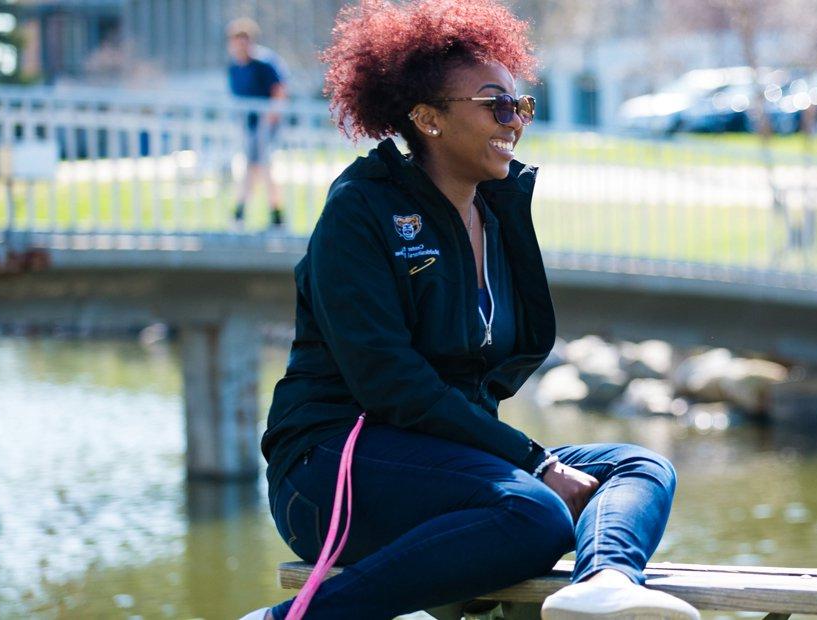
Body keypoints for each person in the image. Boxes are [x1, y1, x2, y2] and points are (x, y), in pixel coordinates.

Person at [240, 1, 697, 618]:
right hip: (329, 468)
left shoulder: (498, 210)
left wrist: (528, 461)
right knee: (532, 509)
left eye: (521, 105)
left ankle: (604, 582)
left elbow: (503, 360)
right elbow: (390, 384)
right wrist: (534, 461)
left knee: (640, 464)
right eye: (496, 105)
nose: (515, 121)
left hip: (447, 460)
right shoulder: (361, 209)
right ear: (427, 118)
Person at [226, 17, 288, 230]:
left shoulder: (265, 64)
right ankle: (243, 213)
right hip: (248, 126)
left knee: (264, 169)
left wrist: (267, 122)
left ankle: (274, 216)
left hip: (266, 126)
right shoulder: (234, 68)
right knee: (251, 169)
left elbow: (279, 92)